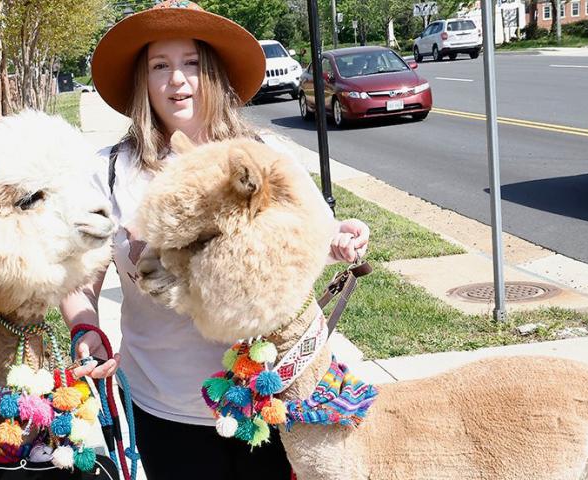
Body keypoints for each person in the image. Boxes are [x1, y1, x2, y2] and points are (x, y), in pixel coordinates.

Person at [60, 2, 370, 478]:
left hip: (266, 391)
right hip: (162, 399)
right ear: (143, 82)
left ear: (214, 75)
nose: (177, 80)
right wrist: (85, 329)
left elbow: (305, 240)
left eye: (191, 64)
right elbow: (81, 277)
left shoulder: (260, 157)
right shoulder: (109, 170)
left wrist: (341, 241)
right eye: (159, 66)